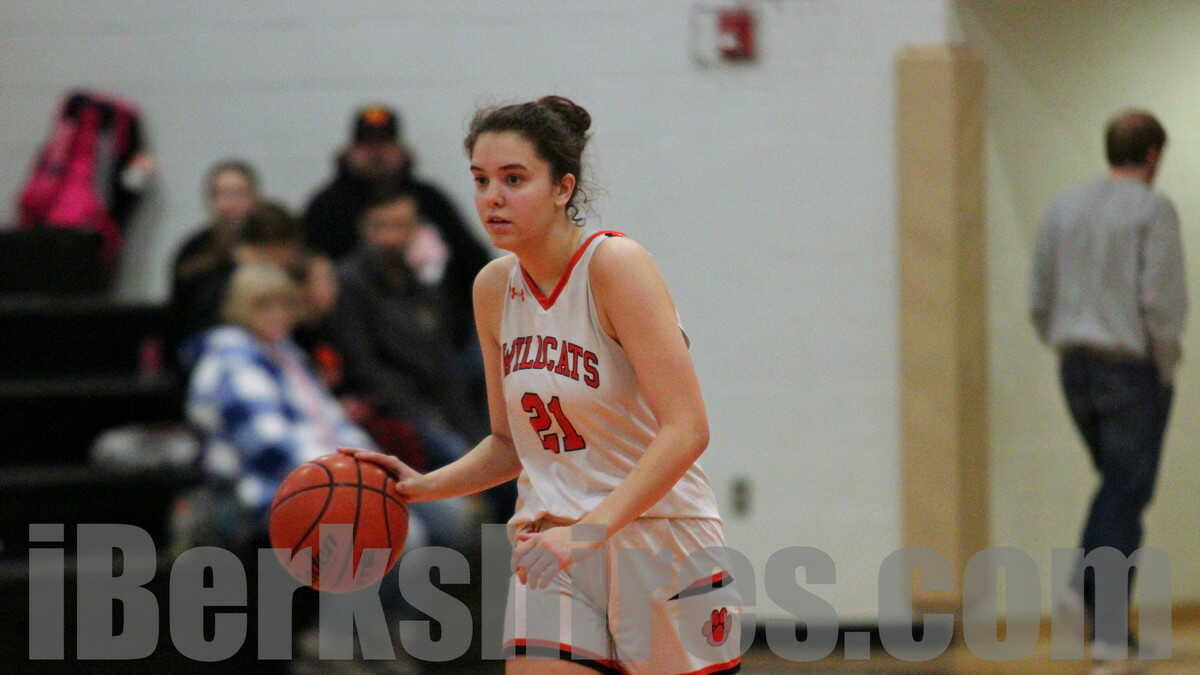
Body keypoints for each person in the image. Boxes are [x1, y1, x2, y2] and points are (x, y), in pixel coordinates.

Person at [347, 96, 741, 674]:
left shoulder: (614, 266)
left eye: (514, 179)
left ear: (562, 188)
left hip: (658, 538)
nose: (492, 197)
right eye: (480, 180)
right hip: (551, 545)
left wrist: (590, 532)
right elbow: (510, 444)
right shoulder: (492, 288)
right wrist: (424, 487)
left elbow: (687, 430)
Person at [1030, 109, 1187, 663]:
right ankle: (1090, 602)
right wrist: (1164, 366)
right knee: (1125, 492)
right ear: (1153, 155)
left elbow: (1039, 297)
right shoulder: (1152, 209)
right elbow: (1161, 302)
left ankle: (1109, 630)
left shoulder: (1062, 207)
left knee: (1118, 490)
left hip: (1074, 367)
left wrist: (1063, 342)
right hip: (1130, 369)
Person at [303, 103, 492, 350]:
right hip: (359, 329)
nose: (377, 154)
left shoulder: (429, 199)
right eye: (368, 146)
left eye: (384, 144)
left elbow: (472, 258)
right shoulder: (326, 206)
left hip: (444, 329)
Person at [165, 160, 260, 368]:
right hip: (207, 349)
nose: (231, 203)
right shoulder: (193, 250)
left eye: (239, 193)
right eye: (223, 194)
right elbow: (180, 313)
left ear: (254, 198)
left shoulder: (266, 244)